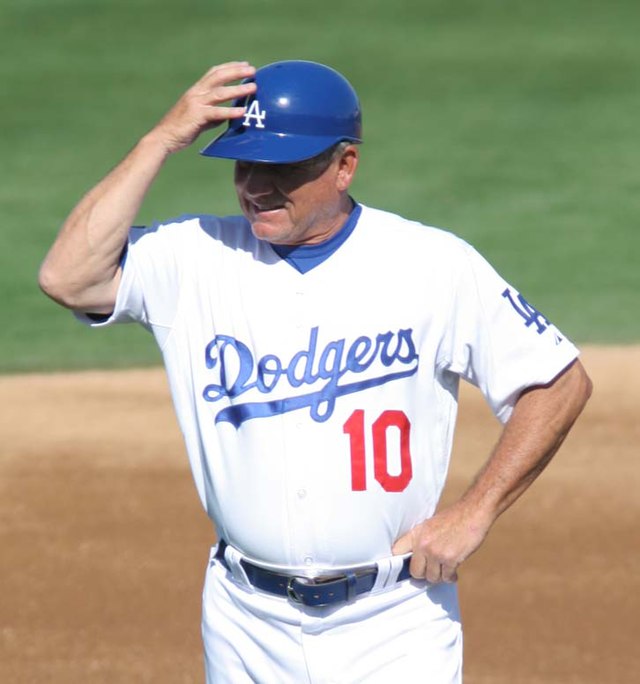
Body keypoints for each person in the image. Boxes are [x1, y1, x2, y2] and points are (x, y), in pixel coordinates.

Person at [39, 59, 592, 683]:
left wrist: (476, 511)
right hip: (244, 621)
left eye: (283, 169)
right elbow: (68, 277)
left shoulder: (431, 264)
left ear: (344, 164)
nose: (256, 186)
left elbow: (559, 380)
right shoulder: (194, 258)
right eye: (245, 165)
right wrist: (161, 138)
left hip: (394, 622)